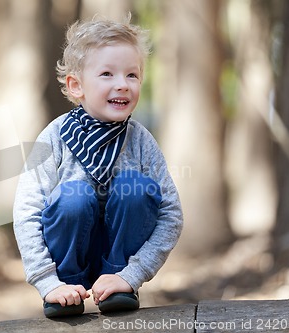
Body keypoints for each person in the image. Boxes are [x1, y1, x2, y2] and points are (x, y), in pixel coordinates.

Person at [13, 16, 183, 318]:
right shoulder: (55, 138)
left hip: (121, 266)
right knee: (73, 196)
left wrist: (132, 274)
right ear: (76, 86)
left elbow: (171, 214)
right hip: (65, 261)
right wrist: (47, 281)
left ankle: (116, 288)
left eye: (132, 75)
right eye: (107, 74)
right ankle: (67, 290)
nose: (122, 84)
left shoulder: (140, 141)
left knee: (137, 188)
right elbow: (27, 212)